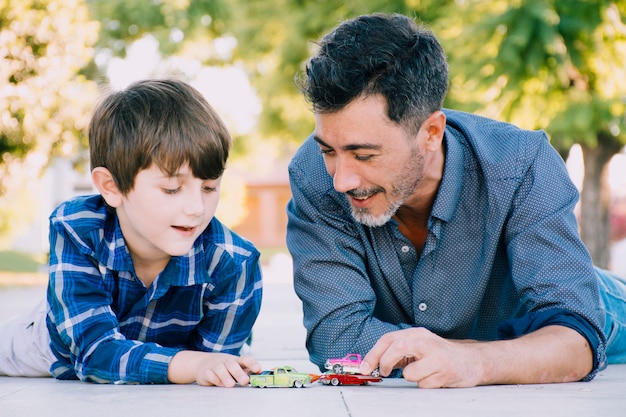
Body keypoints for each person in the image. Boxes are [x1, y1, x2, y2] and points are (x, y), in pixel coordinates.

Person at [286, 13, 626, 388]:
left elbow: (575, 338)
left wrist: (473, 360)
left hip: (591, 303)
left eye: (364, 155)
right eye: (328, 151)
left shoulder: (522, 164)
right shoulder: (312, 176)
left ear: (431, 132)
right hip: (509, 339)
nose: (340, 180)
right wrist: (453, 355)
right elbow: (336, 337)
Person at [0, 78, 263, 387]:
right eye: (171, 188)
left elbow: (214, 366)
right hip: (53, 349)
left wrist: (210, 367)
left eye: (209, 187)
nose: (196, 208)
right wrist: (192, 364)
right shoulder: (79, 228)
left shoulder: (234, 263)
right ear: (111, 187)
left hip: (160, 361)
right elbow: (94, 352)